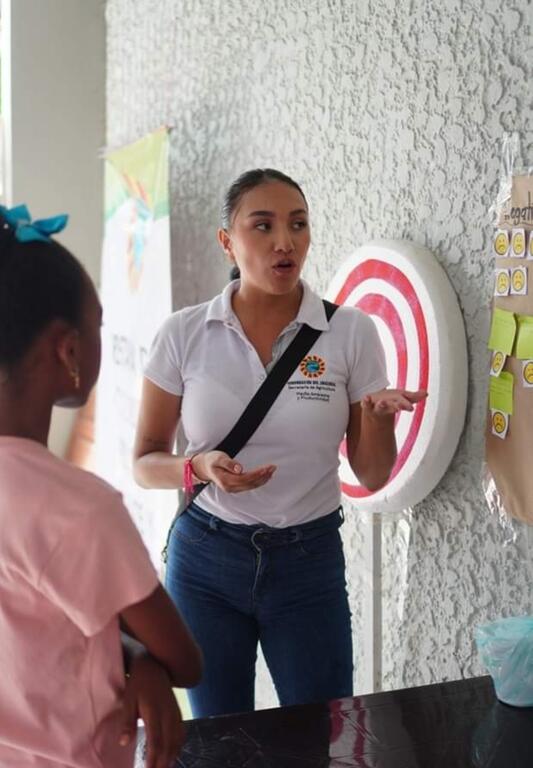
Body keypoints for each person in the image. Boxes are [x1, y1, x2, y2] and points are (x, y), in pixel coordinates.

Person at [133, 169, 426, 718]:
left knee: (319, 735)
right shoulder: (184, 333)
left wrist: (377, 417)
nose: (284, 242)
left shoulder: (351, 332)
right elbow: (145, 463)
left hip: (307, 563)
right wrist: (199, 466)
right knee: (218, 740)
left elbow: (372, 475)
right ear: (228, 240)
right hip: (206, 562)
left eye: (298, 224)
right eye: (262, 226)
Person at [0, 205, 202, 768]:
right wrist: (142, 660)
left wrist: (132, 654)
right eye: (99, 326)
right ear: (68, 349)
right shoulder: (76, 510)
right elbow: (184, 659)